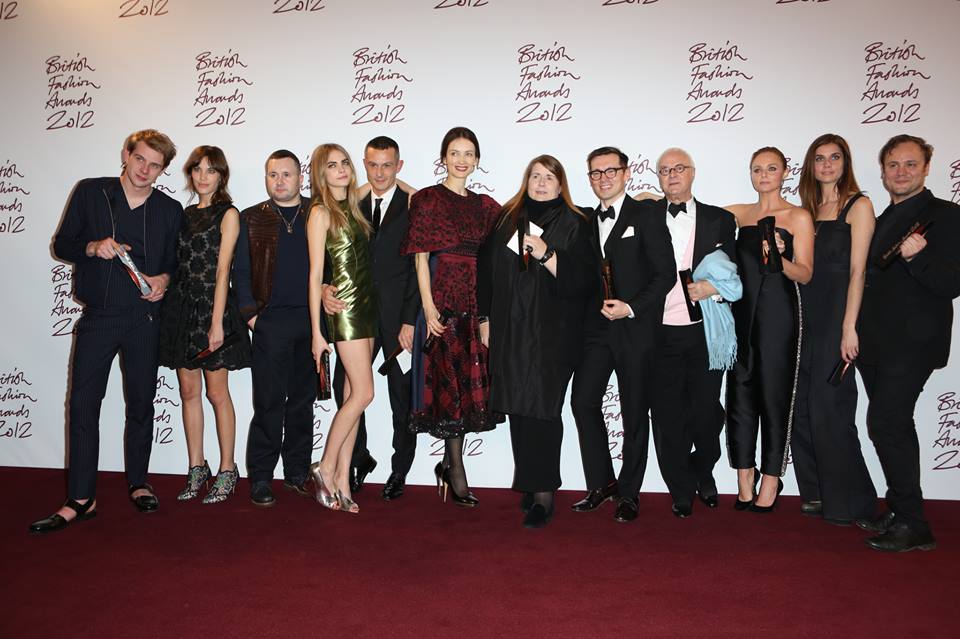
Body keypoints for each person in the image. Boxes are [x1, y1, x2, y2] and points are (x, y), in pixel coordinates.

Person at [31, 129, 182, 534]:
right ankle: (81, 498)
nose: (144, 170)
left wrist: (164, 280)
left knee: (141, 404)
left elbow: (176, 264)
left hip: (145, 319)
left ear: (162, 171)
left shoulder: (170, 210)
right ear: (126, 154)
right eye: (140, 159)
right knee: (83, 404)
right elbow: (62, 245)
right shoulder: (90, 192)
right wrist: (92, 247)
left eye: (154, 165)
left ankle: (139, 482)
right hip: (98, 316)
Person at [478, 155, 597, 528]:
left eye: (549, 177)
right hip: (511, 330)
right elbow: (484, 270)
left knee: (543, 409)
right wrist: (484, 318)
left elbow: (586, 280)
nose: (541, 183)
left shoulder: (578, 221)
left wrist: (547, 255)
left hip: (553, 334)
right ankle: (530, 484)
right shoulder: (507, 219)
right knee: (518, 405)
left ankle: (544, 495)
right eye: (535, 176)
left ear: (561, 184)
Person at [855, 134, 960, 552]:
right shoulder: (882, 218)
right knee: (892, 425)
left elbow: (951, 283)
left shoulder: (947, 216)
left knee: (886, 422)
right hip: (875, 344)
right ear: (883, 171)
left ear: (927, 168)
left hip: (912, 345)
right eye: (893, 165)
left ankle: (914, 524)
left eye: (910, 164)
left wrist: (918, 258)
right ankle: (902, 509)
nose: (901, 172)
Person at [569, 146, 676, 523]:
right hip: (596, 330)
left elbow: (665, 275)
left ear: (627, 173)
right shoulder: (584, 220)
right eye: (595, 173)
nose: (603, 178)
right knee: (582, 401)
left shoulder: (647, 215)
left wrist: (631, 307)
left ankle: (629, 493)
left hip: (636, 329)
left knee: (634, 413)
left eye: (610, 171)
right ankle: (602, 483)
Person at [400, 126, 501, 507]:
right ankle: (455, 469)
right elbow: (420, 258)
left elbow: (510, 234)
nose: (462, 160)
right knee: (447, 389)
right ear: (443, 158)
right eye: (455, 153)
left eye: (468, 153)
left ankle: (449, 465)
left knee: (464, 390)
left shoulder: (486, 207)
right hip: (440, 306)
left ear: (477, 160)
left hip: (474, 306)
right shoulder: (427, 199)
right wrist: (427, 307)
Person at [323, 136, 419, 500]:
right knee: (345, 389)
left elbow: (418, 268)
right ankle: (359, 459)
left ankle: (400, 470)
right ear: (364, 164)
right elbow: (332, 252)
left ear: (399, 166)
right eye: (373, 165)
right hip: (358, 314)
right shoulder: (351, 201)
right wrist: (323, 287)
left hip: (399, 317)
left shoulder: (414, 204)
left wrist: (410, 320)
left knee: (401, 395)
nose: (379, 173)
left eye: (387, 165)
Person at [157, 145, 252, 504]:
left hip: (214, 309)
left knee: (216, 393)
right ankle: (197, 467)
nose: (202, 176)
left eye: (211, 170)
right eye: (197, 169)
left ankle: (228, 469)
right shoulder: (183, 214)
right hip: (182, 307)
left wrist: (216, 324)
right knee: (188, 392)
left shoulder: (228, 213)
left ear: (221, 176)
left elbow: (224, 270)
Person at [646, 148, 737, 518]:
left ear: (693, 172)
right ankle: (680, 487)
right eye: (664, 170)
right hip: (659, 332)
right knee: (668, 416)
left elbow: (733, 269)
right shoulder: (645, 215)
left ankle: (704, 466)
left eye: (678, 168)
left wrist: (713, 288)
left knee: (706, 412)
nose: (672, 175)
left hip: (704, 331)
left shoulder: (720, 219)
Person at [793, 134, 877, 525]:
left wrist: (849, 327)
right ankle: (816, 493)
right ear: (811, 166)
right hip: (804, 318)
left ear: (846, 163)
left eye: (835, 157)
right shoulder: (807, 211)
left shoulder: (859, 206)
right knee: (802, 408)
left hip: (836, 319)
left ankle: (854, 503)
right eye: (820, 158)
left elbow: (859, 271)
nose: (827, 165)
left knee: (831, 409)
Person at [725, 147, 814, 513]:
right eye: (757, 169)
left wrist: (781, 257)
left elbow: (805, 274)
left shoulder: (798, 217)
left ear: (784, 172)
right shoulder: (739, 213)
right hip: (741, 313)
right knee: (740, 393)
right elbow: (697, 212)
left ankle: (772, 478)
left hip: (779, 314)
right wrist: (650, 199)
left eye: (771, 168)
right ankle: (744, 475)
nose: (763, 175)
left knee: (774, 396)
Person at [233, 150, 316, 508]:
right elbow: (240, 271)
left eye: (286, 174)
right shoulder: (252, 217)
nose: (279, 181)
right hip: (270, 324)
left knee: (302, 403)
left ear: (301, 177)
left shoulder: (317, 212)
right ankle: (261, 477)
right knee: (267, 403)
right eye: (272, 175)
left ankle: (297, 473)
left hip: (311, 324)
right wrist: (252, 317)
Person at [307, 143, 377, 514]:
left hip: (367, 309)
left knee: (354, 397)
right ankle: (325, 466)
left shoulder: (354, 205)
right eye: (332, 165)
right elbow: (315, 275)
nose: (341, 169)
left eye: (345, 163)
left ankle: (343, 483)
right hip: (345, 312)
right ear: (321, 173)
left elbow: (397, 187)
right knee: (364, 394)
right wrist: (317, 332)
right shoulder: (320, 212)